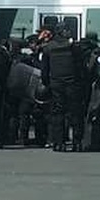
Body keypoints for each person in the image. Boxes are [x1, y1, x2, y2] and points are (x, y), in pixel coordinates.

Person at [41, 24, 84, 152]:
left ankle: (59, 143)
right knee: (75, 113)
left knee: (57, 114)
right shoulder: (74, 47)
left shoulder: (48, 48)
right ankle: (77, 142)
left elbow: (44, 71)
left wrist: (48, 83)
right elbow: (80, 67)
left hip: (56, 84)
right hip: (72, 84)